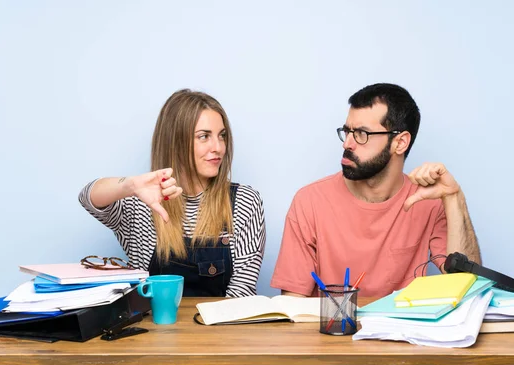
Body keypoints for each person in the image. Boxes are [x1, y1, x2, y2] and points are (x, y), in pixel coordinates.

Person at [270, 83, 481, 298]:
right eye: (347, 131)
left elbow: (467, 284)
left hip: (400, 330)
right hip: (331, 329)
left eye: (362, 133)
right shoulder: (309, 201)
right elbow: (293, 306)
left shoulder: (428, 200)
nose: (348, 144)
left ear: (400, 143)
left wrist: (454, 198)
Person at [79, 89, 266, 297]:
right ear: (175, 142)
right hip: (154, 328)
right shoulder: (142, 203)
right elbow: (88, 197)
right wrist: (129, 185)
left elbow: (242, 292)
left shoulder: (245, 202)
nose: (218, 147)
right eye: (204, 136)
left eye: (222, 136)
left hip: (221, 327)